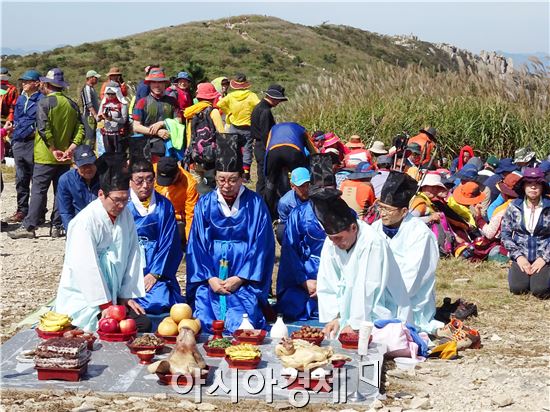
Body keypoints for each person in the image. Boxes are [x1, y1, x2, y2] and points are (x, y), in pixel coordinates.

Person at [186, 134, 275, 333]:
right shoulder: (205, 203)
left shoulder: (255, 204)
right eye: (221, 180)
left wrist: (240, 278)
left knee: (244, 319)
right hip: (211, 275)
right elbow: (197, 244)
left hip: (244, 277)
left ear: (242, 178)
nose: (227, 186)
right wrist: (209, 278)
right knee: (205, 318)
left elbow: (262, 245)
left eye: (233, 180)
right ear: (215, 178)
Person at [54, 157, 150, 332]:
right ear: (101, 195)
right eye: (116, 200)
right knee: (107, 328)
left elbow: (132, 254)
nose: (121, 205)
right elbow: (85, 266)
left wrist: (125, 296)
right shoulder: (84, 221)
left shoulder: (125, 214)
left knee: (143, 324)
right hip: (85, 297)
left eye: (125, 199)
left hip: (114, 293)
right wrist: (104, 305)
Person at [313, 187, 411, 337]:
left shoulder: (372, 242)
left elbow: (367, 287)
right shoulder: (332, 241)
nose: (334, 243)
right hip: (349, 311)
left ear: (353, 228)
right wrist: (335, 317)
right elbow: (328, 280)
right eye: (331, 238)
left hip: (379, 309)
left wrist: (355, 325)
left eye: (338, 238)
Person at [9, 68, 84, 239]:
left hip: (45, 155)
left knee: (38, 190)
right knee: (60, 191)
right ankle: (57, 226)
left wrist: (52, 149)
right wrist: (71, 148)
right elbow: (81, 128)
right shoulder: (71, 104)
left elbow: (43, 128)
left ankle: (29, 226)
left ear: (47, 84)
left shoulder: (44, 103)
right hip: (65, 157)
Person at [372, 171, 442, 333]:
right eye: (380, 208)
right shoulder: (375, 228)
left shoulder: (420, 234)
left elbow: (412, 280)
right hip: (379, 298)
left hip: (411, 303)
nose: (382, 214)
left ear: (404, 211)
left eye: (388, 210)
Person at [275, 154, 335, 321]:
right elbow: (290, 251)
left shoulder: (347, 215)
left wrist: (329, 284)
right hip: (307, 272)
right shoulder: (297, 214)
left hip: (336, 278)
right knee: (291, 304)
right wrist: (304, 281)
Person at [127, 158, 184, 314]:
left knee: (159, 301)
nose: (145, 185)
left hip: (157, 265)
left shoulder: (164, 205)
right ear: (130, 181)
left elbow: (169, 243)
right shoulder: (123, 204)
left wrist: (155, 274)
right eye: (139, 181)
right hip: (128, 267)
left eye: (150, 180)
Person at [501, 167, 550, 298]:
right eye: (529, 183)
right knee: (518, 288)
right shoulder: (514, 206)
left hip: (544, 255)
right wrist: (519, 257)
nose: (533, 187)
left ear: (542, 186)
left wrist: (544, 258)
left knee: (540, 290)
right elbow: (505, 234)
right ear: (523, 186)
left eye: (537, 184)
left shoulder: (548, 207)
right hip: (521, 255)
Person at [7, 70, 44, 224]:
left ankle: (39, 213)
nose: (24, 84)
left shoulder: (42, 99)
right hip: (18, 142)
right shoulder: (21, 99)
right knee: (21, 179)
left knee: (37, 180)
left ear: (36, 83)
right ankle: (22, 210)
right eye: (23, 81)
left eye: (27, 81)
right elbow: (17, 117)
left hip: (33, 143)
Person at [264, 122, 315, 220]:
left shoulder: (273, 129)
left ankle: (268, 215)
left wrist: (267, 173)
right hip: (293, 152)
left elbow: (267, 148)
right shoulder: (301, 129)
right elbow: (312, 148)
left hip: (273, 152)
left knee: (271, 184)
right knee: (300, 179)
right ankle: (302, 210)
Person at [217, 73, 260, 182]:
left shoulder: (231, 96)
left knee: (232, 149)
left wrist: (229, 112)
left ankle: (233, 171)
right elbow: (259, 106)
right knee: (247, 150)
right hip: (247, 127)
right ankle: (245, 175)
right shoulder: (251, 95)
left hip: (234, 125)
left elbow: (220, 104)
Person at [183, 82, 225, 192]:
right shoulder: (214, 112)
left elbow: (189, 136)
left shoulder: (191, 113)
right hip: (211, 158)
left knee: (196, 188)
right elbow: (222, 135)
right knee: (211, 188)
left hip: (194, 157)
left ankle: (197, 207)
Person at [132, 67, 181, 156]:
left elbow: (179, 120)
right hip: (147, 146)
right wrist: (157, 132)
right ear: (150, 84)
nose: (157, 85)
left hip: (169, 144)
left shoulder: (172, 101)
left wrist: (163, 123)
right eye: (154, 82)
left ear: (165, 84)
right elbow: (136, 126)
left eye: (160, 82)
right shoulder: (142, 102)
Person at [250, 84, 288, 196]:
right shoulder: (265, 111)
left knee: (262, 175)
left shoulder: (259, 107)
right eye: (278, 100)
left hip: (259, 145)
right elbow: (266, 134)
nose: (279, 103)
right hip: (263, 146)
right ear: (273, 98)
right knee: (265, 176)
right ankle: (263, 200)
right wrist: (271, 150)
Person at [154, 156, 199, 246]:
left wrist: (190, 243)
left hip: (176, 219)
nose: (166, 185)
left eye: (169, 181)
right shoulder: (153, 170)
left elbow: (191, 216)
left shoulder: (190, 185)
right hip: (155, 214)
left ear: (177, 173)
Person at [56, 145, 100, 230]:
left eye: (90, 164)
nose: (88, 169)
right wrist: (71, 233)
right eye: (83, 166)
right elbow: (65, 212)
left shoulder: (105, 176)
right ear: (75, 165)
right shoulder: (66, 180)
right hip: (80, 224)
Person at [275, 167, 310, 244]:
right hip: (295, 227)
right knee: (281, 231)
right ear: (292, 186)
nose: (306, 189)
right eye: (302, 186)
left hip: (313, 226)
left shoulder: (316, 197)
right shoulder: (285, 202)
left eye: (308, 185)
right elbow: (285, 224)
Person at [97, 81, 129, 153]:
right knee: (108, 157)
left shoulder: (122, 104)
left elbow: (124, 120)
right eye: (108, 94)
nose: (110, 96)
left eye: (112, 94)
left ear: (117, 93)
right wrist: (100, 117)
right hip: (106, 134)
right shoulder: (103, 103)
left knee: (119, 156)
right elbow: (97, 119)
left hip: (118, 135)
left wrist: (111, 118)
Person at [80, 70, 101, 147]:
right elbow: (88, 104)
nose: (97, 79)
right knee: (89, 136)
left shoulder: (92, 88)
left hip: (93, 117)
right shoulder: (87, 88)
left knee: (93, 137)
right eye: (95, 78)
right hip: (89, 117)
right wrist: (95, 115)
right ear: (90, 78)